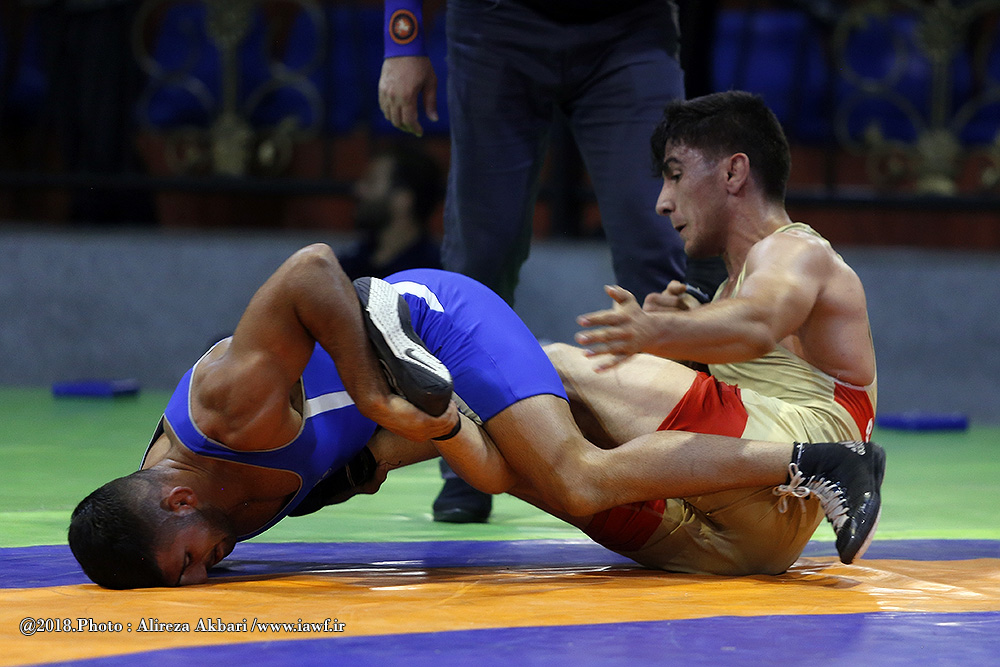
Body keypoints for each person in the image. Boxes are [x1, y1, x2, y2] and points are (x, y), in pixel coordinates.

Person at [68, 243, 883, 588]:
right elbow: (357, 451)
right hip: (411, 409)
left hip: (433, 322)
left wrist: (374, 394)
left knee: (576, 476)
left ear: (178, 497)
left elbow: (311, 270)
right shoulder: (176, 513)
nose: (204, 572)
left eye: (188, 561)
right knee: (513, 478)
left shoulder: (224, 410)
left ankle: (820, 461)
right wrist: (388, 442)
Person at [379, 0, 721, 522]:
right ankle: (464, 461)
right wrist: (402, 38)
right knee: (481, 257)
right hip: (498, 25)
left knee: (659, 251)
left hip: (631, 28)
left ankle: (685, 464)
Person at [336, 144, 443, 281]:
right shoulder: (350, 262)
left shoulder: (431, 273)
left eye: (371, 182)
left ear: (403, 199)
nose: (359, 189)